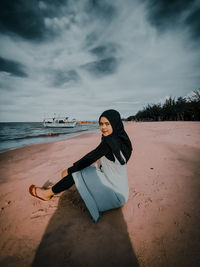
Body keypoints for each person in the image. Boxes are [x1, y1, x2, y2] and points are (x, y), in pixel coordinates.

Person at [29, 109, 133, 222]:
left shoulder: (108, 142)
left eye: (107, 124)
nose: (103, 127)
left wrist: (69, 170)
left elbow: (89, 158)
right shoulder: (123, 139)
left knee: (78, 172)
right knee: (89, 171)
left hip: (115, 195)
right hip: (123, 192)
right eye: (101, 124)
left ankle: (47, 193)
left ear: (115, 123)